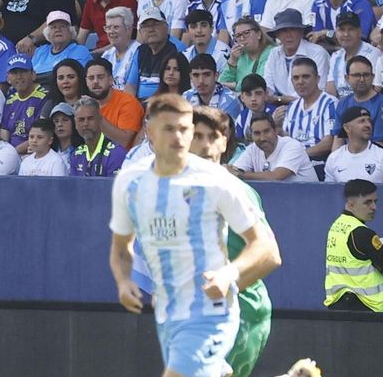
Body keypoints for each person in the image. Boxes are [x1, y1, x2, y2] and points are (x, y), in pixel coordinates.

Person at [109, 94, 282, 377]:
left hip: (238, 313)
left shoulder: (235, 189)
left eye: (213, 137)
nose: (205, 146)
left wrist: (227, 279)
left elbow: (269, 253)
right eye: (196, 136)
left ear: (225, 143)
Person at [324, 179, 383, 311]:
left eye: (375, 201)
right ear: (351, 205)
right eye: (368, 202)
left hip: (339, 303)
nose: (374, 207)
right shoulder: (362, 233)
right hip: (368, 307)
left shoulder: (337, 225)